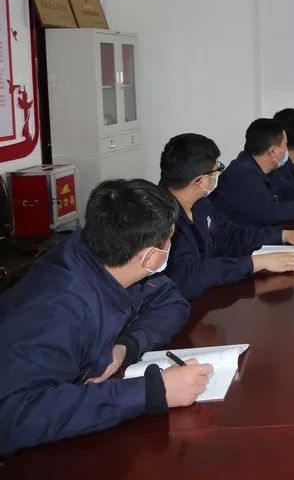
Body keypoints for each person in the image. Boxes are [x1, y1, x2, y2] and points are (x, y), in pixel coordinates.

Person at [0, 179, 212, 456]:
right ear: (149, 256)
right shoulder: (59, 309)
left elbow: (171, 301)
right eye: (170, 239)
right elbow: (13, 418)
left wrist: (127, 346)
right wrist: (151, 392)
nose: (173, 245)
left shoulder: (107, 255)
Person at [159, 133, 294, 300]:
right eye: (217, 169)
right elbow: (190, 276)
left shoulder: (200, 204)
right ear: (200, 181)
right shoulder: (161, 218)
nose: (218, 174)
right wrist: (258, 262)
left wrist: (284, 235)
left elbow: (232, 235)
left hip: (212, 295)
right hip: (183, 306)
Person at [214, 118, 294, 227]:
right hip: (237, 241)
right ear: (273, 151)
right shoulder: (243, 173)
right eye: (285, 145)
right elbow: (271, 212)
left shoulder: (263, 169)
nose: (287, 150)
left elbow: (287, 193)